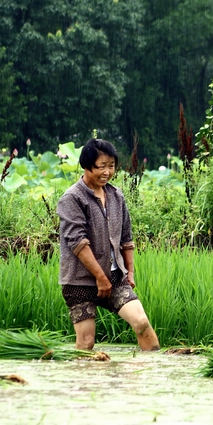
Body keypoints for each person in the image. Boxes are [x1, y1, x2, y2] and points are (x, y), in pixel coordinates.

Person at [57, 138, 160, 351]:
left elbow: (126, 238)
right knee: (86, 343)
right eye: (101, 166)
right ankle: (84, 382)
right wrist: (100, 279)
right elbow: (78, 243)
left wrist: (129, 272)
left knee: (141, 323)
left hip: (114, 277)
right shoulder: (72, 198)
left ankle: (150, 376)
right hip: (80, 281)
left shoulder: (115, 195)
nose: (107, 172)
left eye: (111, 166)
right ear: (86, 166)